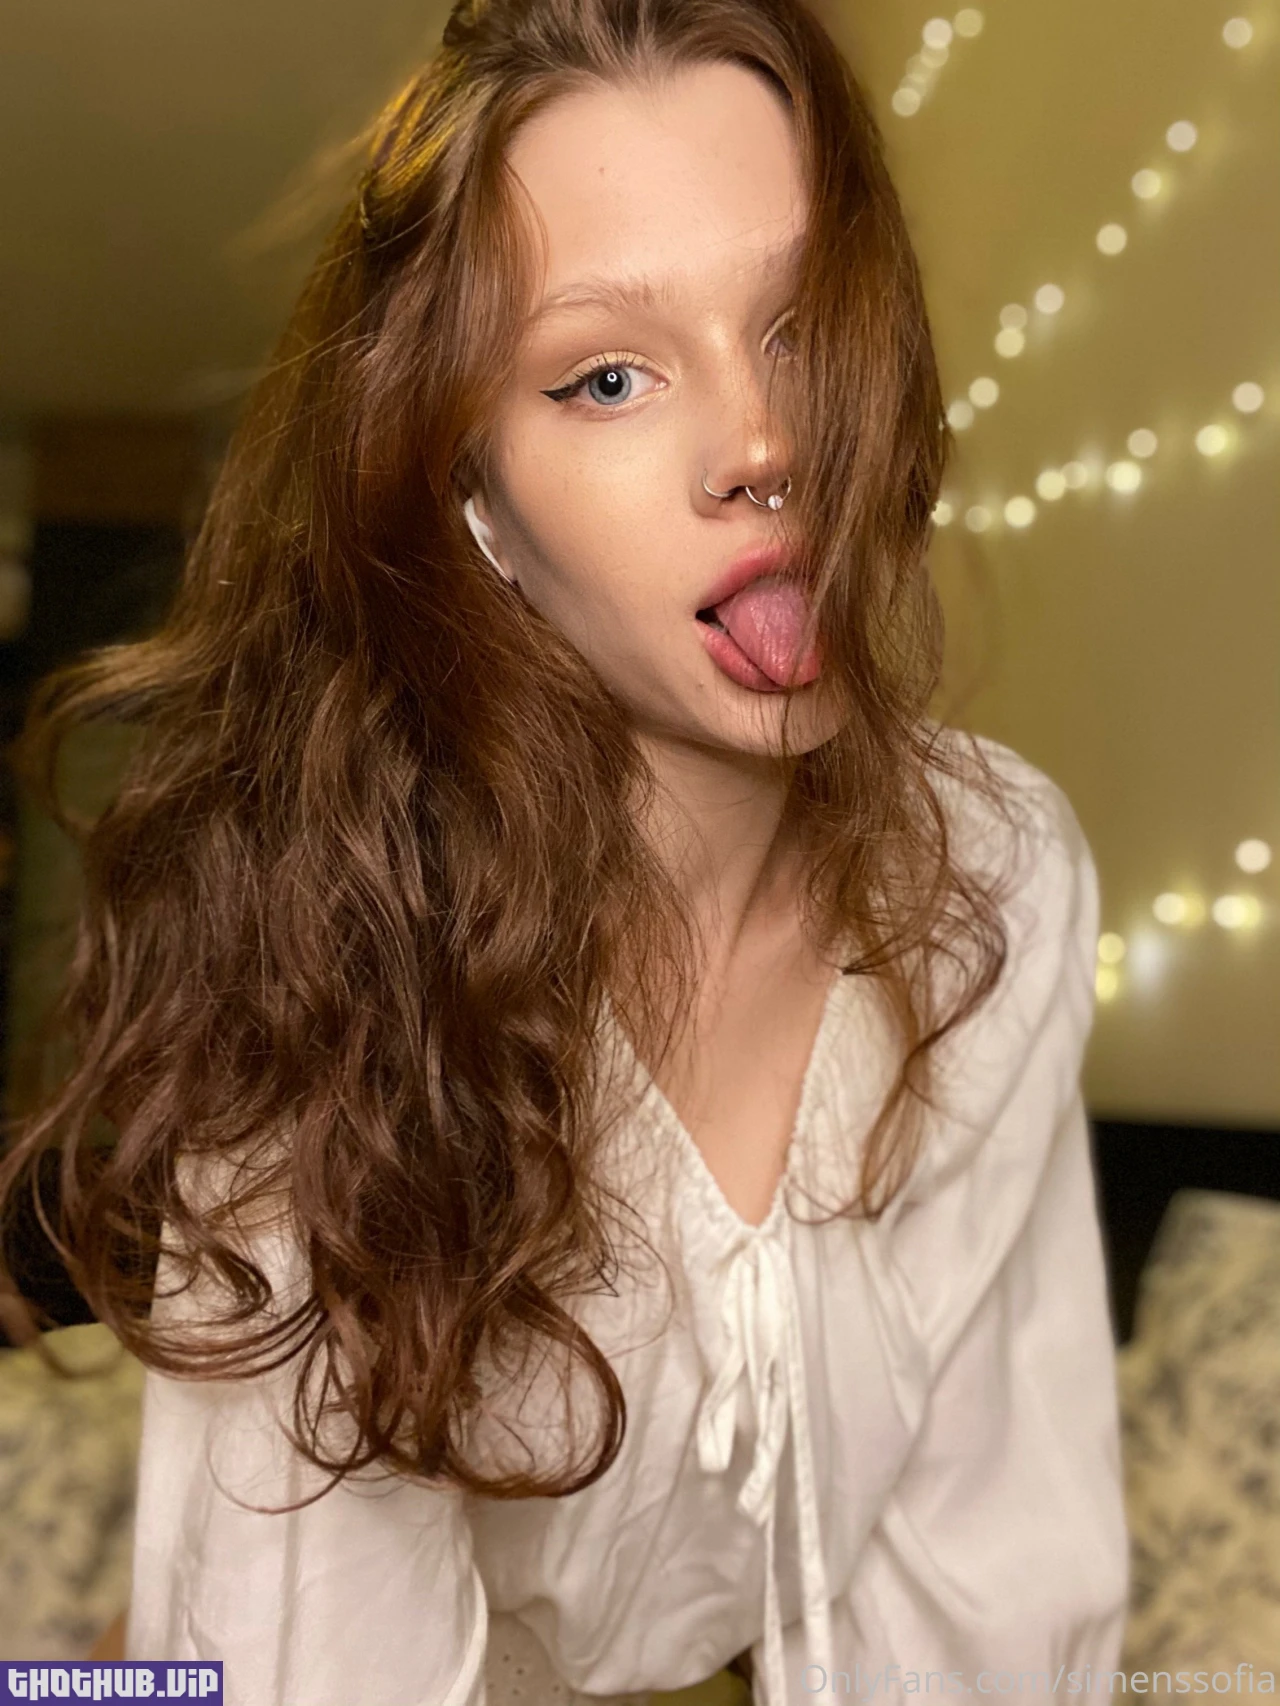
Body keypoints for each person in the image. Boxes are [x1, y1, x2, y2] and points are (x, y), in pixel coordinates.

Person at [0, 0, 1130, 1701]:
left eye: (802, 325)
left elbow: (993, 1587)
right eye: (607, 375)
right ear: (480, 509)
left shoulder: (994, 880)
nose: (763, 446)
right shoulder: (337, 940)